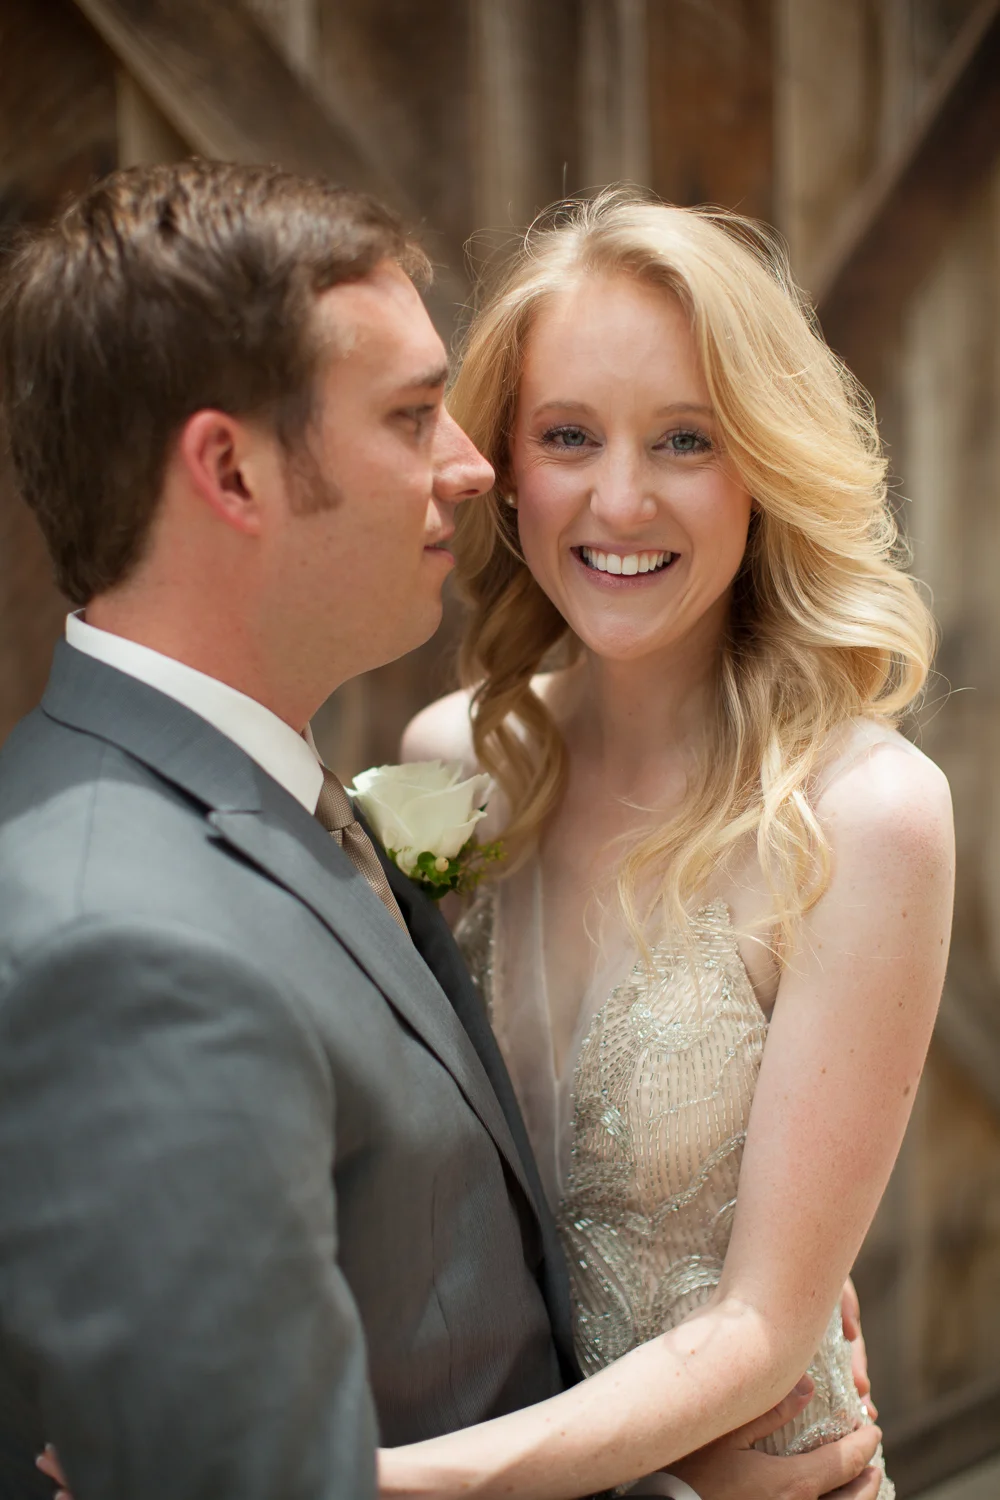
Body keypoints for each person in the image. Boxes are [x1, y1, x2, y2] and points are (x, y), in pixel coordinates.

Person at [0, 162, 882, 1500]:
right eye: (419, 418)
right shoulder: (130, 939)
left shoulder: (290, 800)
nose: (469, 470)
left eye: (688, 437)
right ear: (229, 470)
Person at [396, 191, 955, 1497]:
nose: (621, 498)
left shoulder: (866, 817)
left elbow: (758, 1333)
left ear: (760, 466)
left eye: (687, 439)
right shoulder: (439, 771)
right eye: (569, 435)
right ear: (505, 467)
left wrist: (375, 1485)